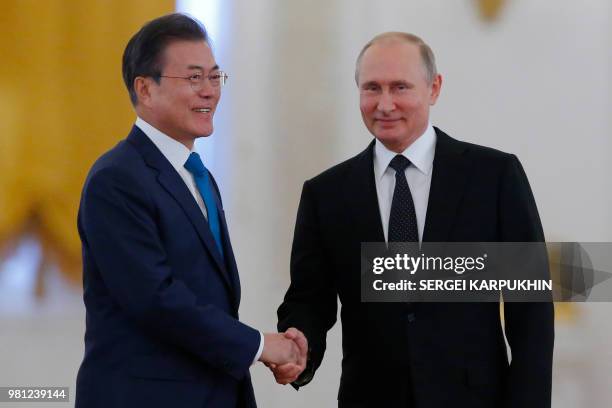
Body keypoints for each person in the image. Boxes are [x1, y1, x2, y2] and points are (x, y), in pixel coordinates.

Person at [273, 32, 554, 407]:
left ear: (434, 88)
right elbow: (309, 298)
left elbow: (530, 306)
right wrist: (299, 346)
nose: (384, 104)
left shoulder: (494, 176)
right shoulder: (326, 194)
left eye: (400, 87)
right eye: (372, 88)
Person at [75, 13, 306, 408]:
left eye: (215, 77)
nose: (209, 92)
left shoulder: (197, 176)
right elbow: (156, 299)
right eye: (194, 78)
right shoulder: (116, 180)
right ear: (145, 89)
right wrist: (258, 345)